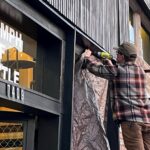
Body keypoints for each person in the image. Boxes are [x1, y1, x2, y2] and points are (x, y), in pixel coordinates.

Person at [81, 42, 150, 150]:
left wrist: (87, 58)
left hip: (131, 121)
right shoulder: (140, 71)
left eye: (118, 53)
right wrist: (108, 62)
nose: (116, 55)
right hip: (147, 120)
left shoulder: (117, 70)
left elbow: (97, 69)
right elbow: (118, 72)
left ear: (122, 56)